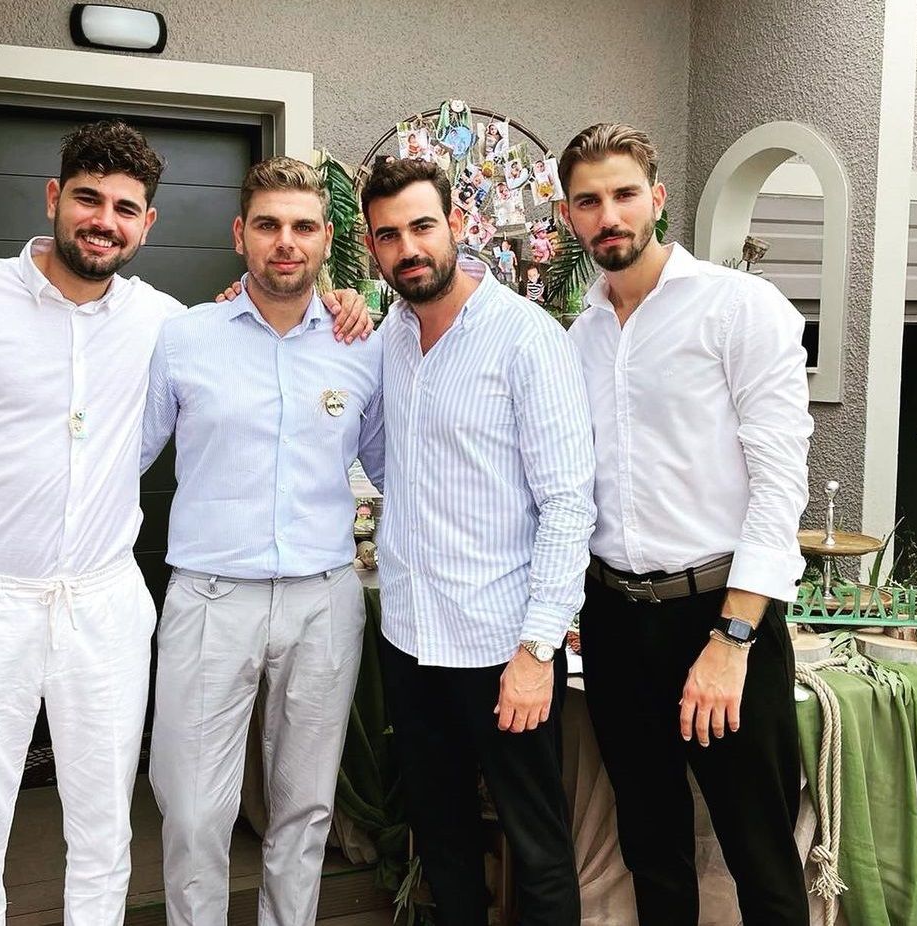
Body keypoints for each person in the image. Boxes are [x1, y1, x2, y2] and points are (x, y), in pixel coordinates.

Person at [0, 121, 372, 926]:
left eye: (124, 208)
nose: (103, 220)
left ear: (148, 223)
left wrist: (346, 303)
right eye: (89, 199)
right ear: (55, 197)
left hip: (117, 604)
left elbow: (364, 437)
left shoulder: (177, 323)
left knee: (107, 833)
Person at [557, 122, 813, 926]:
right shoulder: (578, 337)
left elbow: (779, 484)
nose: (609, 217)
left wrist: (733, 639)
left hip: (720, 612)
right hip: (614, 619)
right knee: (651, 849)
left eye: (624, 195)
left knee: (760, 856)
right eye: (589, 202)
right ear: (568, 216)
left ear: (658, 199)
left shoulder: (739, 308)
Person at [141, 156, 384, 926]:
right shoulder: (184, 339)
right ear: (239, 233)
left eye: (303, 227)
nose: (286, 242)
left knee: (305, 808)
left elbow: (395, 467)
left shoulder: (361, 345)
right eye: (269, 225)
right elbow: (121, 462)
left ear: (327, 239)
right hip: (211, 599)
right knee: (192, 809)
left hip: (324, 601)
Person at [359, 157, 595, 926]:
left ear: (456, 225)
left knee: (536, 844)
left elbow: (568, 503)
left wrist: (536, 649)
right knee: (442, 835)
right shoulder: (391, 337)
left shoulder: (526, 338)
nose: (408, 248)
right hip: (410, 636)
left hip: (501, 645)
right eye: (388, 235)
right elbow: (388, 459)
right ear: (371, 246)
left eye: (422, 227)